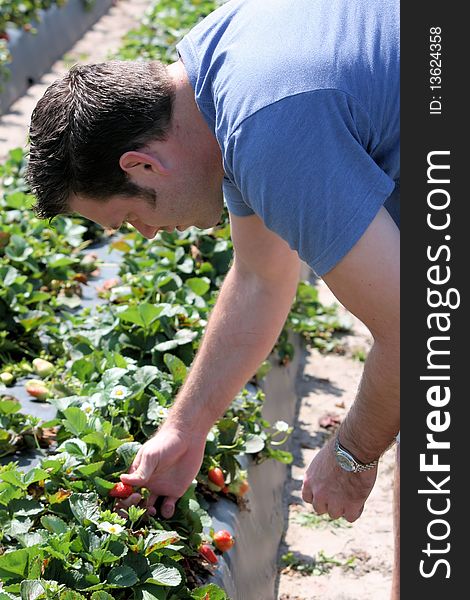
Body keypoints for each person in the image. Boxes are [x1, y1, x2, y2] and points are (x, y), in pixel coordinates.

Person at [26, 0, 400, 596]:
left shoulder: (267, 130)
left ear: (142, 164)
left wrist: (351, 455)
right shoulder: (219, 65)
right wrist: (186, 427)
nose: (147, 236)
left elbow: (425, 329)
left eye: (129, 219)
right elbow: (260, 275)